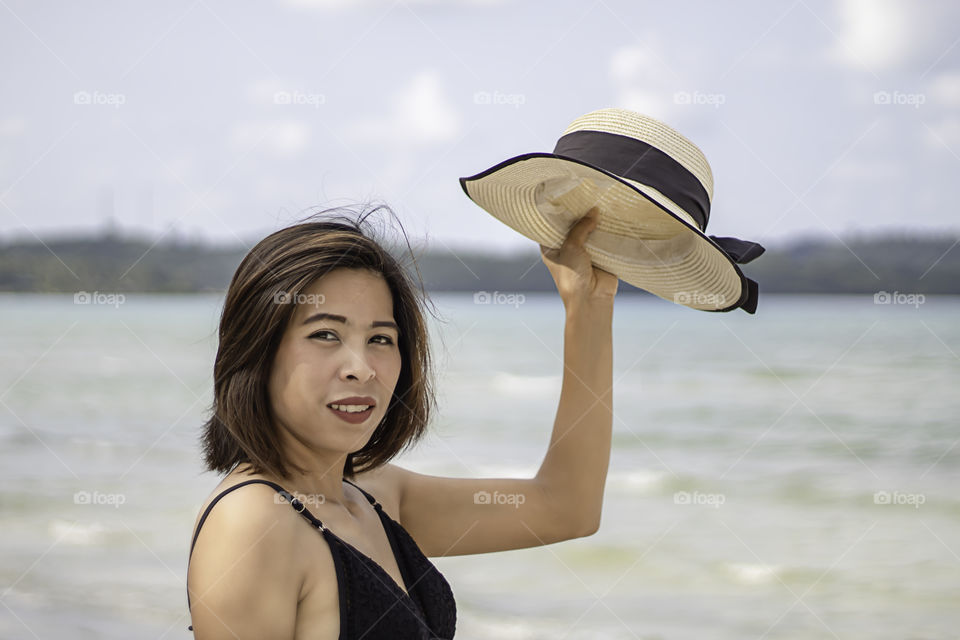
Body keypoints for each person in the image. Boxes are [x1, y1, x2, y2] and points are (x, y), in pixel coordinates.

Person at [185, 204, 617, 639]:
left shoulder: (376, 497)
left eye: (380, 339)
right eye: (325, 334)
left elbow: (566, 508)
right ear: (258, 350)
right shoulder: (253, 523)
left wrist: (588, 305)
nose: (362, 368)